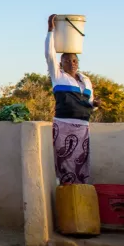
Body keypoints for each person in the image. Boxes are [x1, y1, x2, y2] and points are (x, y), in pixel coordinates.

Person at [45, 14, 99, 184]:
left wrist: (95, 105)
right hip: (63, 125)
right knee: (64, 163)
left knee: (82, 164)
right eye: (67, 60)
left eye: (74, 60)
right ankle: (66, 195)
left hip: (83, 126)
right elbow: (49, 54)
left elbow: (88, 105)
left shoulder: (86, 81)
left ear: (78, 62)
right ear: (61, 63)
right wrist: (50, 30)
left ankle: (80, 196)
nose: (72, 62)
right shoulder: (58, 76)